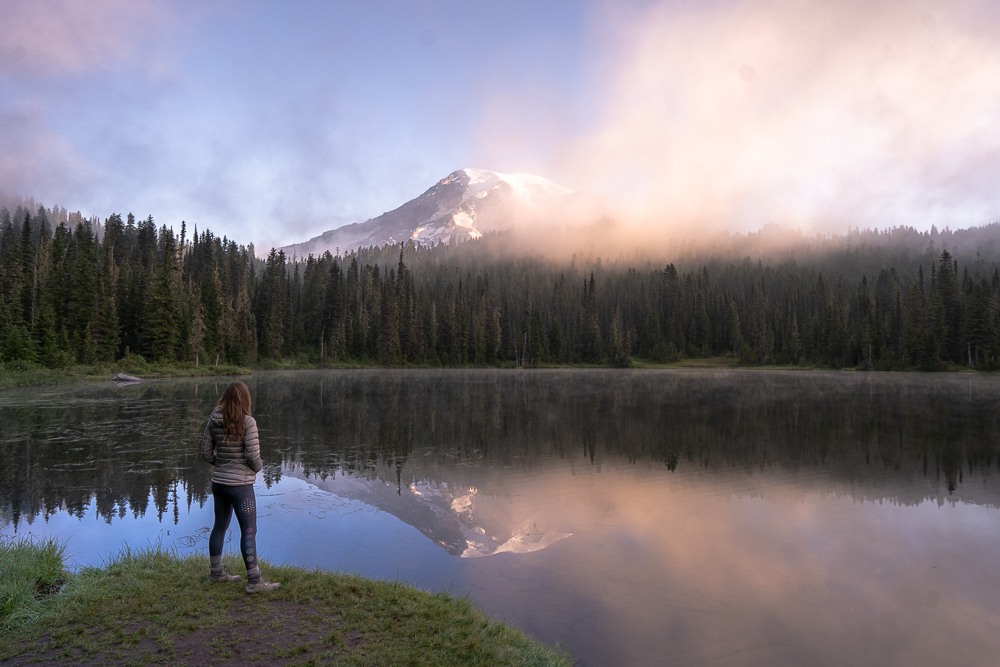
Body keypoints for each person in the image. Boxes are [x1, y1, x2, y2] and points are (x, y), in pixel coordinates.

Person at [200, 380, 280, 593]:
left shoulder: (213, 420)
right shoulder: (248, 422)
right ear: (245, 399)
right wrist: (256, 469)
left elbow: (206, 452)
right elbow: (253, 455)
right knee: (249, 531)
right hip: (241, 488)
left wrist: (222, 465)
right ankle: (254, 581)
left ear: (225, 398)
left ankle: (216, 573)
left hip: (220, 484)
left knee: (219, 526)